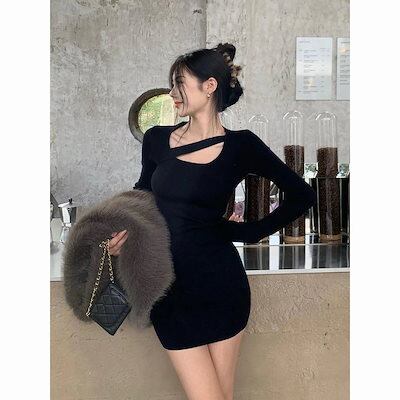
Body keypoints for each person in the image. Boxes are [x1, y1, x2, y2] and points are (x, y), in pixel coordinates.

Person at [109, 43, 316, 400]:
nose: (172, 93)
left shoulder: (242, 146)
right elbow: (142, 195)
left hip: (220, 285)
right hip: (169, 289)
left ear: (209, 86)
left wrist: (248, 232)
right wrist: (125, 232)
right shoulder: (157, 139)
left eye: (179, 83)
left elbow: (302, 195)